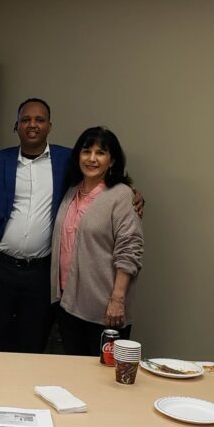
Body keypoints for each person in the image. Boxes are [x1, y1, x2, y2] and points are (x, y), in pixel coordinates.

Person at [0, 98, 72, 353]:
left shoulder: (66, 160)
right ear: (16, 126)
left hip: (40, 273)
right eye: (25, 119)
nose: (32, 124)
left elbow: (98, 179)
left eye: (39, 119)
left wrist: (132, 193)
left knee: (32, 343)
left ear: (49, 126)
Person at [51, 126, 143, 356]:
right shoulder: (72, 191)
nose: (92, 158)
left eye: (101, 153)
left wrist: (117, 300)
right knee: (73, 370)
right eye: (86, 151)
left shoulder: (121, 195)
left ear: (112, 161)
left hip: (104, 310)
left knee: (103, 374)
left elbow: (130, 250)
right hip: (68, 304)